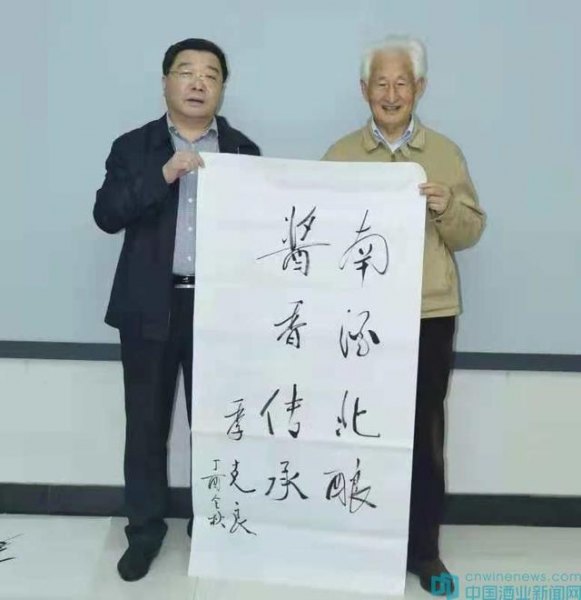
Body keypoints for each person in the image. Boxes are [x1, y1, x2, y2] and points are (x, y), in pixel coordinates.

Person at [323, 35, 486, 594]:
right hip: (358, 317)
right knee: (355, 426)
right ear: (363, 90)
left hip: (427, 313)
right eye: (381, 83)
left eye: (402, 83)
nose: (391, 94)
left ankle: (424, 551)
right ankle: (360, 543)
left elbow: (470, 231)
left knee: (423, 434)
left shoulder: (444, 152)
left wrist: (446, 207)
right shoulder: (339, 155)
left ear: (420, 88)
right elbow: (319, 234)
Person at [94, 38, 260, 582]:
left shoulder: (242, 151)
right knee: (145, 425)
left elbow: (259, 235)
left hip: (218, 311)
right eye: (186, 71)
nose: (197, 82)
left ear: (221, 88)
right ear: (166, 82)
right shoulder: (133, 147)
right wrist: (163, 174)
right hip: (148, 305)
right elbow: (107, 214)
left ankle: (212, 527)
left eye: (210, 74)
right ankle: (143, 532)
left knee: (216, 427)